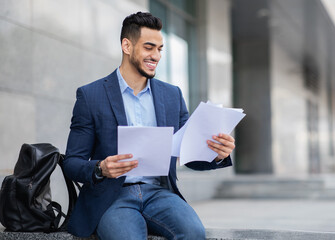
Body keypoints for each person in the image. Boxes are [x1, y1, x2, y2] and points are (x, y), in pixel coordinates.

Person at [63, 11, 235, 240]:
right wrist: (99, 168)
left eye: (160, 49)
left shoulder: (172, 95)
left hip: (159, 194)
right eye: (149, 47)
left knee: (194, 233)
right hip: (112, 197)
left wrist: (216, 155)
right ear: (127, 45)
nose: (156, 55)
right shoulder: (91, 95)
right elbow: (71, 162)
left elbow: (188, 153)